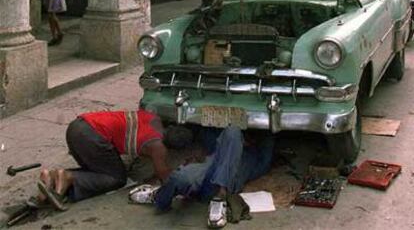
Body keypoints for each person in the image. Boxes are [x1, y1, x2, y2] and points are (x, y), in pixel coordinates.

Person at [131, 126, 275, 228]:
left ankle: (219, 197)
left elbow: (267, 140)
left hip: (221, 183)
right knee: (179, 178)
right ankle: (160, 196)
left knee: (233, 131)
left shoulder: (255, 157)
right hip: (204, 175)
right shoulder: (224, 147)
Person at [35, 109, 172, 212]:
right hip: (92, 135)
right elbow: (164, 176)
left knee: (98, 170)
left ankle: (51, 177)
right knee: (116, 178)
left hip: (77, 126)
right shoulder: (157, 144)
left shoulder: (151, 116)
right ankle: (68, 177)